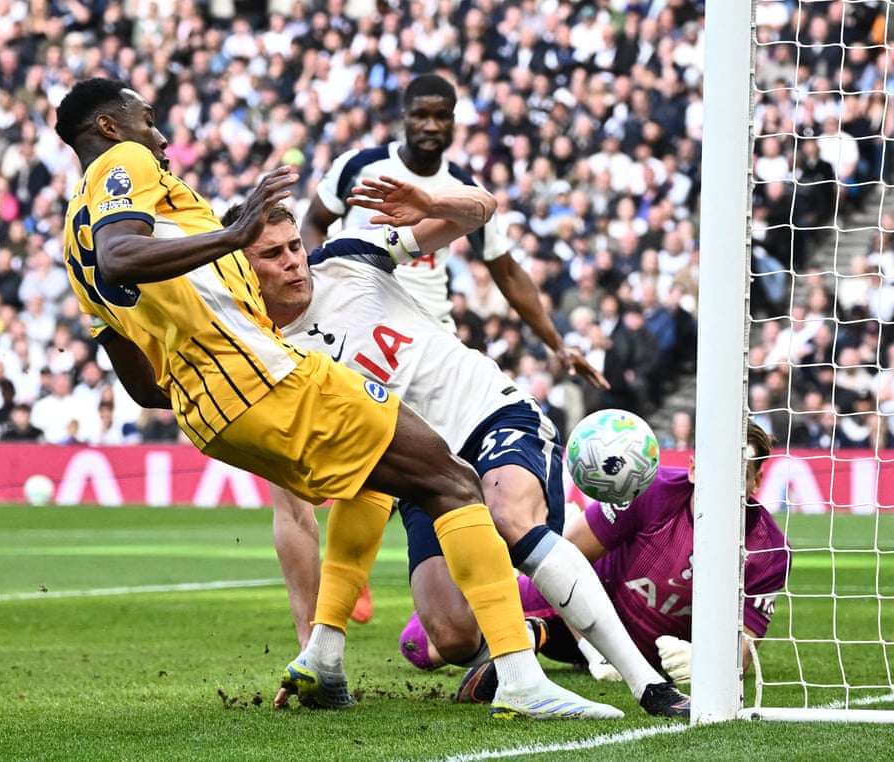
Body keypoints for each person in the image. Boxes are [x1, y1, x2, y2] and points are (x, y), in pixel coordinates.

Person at [54, 78, 620, 721]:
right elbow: (122, 256)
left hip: (210, 415)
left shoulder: (72, 241)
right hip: (267, 379)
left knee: (376, 487)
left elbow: (138, 383)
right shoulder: (125, 161)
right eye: (147, 119)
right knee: (452, 481)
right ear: (109, 126)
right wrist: (235, 237)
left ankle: (322, 656)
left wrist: (207, 377)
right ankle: (520, 678)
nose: (160, 137)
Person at [228, 178, 690, 718]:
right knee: (449, 634)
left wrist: (432, 205)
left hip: (489, 413)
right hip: (419, 467)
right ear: (240, 269)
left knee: (509, 516)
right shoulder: (264, 354)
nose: (294, 262)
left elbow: (483, 208)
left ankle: (648, 687)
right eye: (272, 255)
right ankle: (523, 644)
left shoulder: (348, 256)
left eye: (293, 246)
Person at [297, 71, 606, 628]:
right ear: (403, 116)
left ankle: (473, 592)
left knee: (422, 466)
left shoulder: (459, 186)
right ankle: (350, 581)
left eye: (442, 116)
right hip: (358, 328)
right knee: (372, 456)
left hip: (427, 338)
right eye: (421, 114)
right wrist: (316, 290)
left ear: (455, 121)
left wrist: (557, 344)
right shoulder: (357, 167)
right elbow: (312, 224)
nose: (431, 125)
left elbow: (506, 272)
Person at [426, 422, 790, 695]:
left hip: (644, 649)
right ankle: (533, 629)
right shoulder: (653, 492)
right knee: (426, 644)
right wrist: (590, 647)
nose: (724, 486)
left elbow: (743, 654)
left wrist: (705, 662)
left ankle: (535, 635)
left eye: (739, 476)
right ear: (694, 469)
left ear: (757, 481)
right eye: (715, 472)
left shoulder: (770, 552)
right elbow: (566, 558)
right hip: (576, 599)